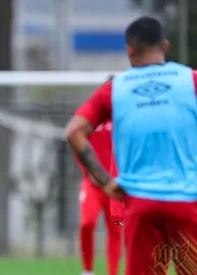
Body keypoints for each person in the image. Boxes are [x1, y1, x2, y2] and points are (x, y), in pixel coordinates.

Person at [66, 16, 197, 275]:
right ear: (165, 45)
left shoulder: (115, 89)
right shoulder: (190, 80)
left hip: (140, 205)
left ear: (129, 49)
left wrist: (105, 182)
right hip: (185, 202)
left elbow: (74, 132)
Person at [75, 120, 121, 275]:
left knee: (116, 228)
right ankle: (87, 270)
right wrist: (89, 171)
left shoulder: (121, 119)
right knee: (86, 223)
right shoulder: (89, 121)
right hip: (92, 184)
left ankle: (112, 272)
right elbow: (76, 142)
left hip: (114, 185)